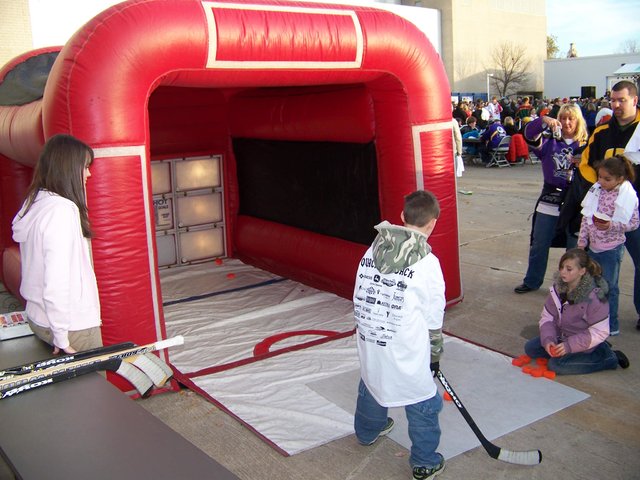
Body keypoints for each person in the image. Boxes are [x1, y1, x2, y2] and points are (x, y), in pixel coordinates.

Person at [353, 190, 445, 480]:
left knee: (372, 380)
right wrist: (435, 353)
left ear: (403, 217)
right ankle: (425, 461)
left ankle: (367, 431)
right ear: (432, 224)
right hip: (406, 348)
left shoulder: (373, 249)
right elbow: (433, 316)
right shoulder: (428, 264)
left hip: (371, 340)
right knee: (422, 400)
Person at [558, 80, 640, 332]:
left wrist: (625, 195)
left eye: (621, 100)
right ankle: (600, 316)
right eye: (612, 100)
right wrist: (605, 192)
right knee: (601, 273)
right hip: (604, 217)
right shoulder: (602, 131)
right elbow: (586, 164)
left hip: (634, 212)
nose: (615, 105)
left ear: (634, 100)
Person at [12, 134, 102, 354]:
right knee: (93, 388)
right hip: (71, 327)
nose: (88, 174)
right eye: (85, 167)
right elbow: (57, 279)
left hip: (39, 318)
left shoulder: (36, 202)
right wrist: (61, 336)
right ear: (69, 168)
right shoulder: (60, 211)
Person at [514, 104, 589, 294]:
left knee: (574, 248)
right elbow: (529, 133)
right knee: (539, 242)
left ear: (578, 120)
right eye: (563, 118)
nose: (566, 122)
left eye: (571, 118)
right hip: (550, 197)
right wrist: (543, 120)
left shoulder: (586, 144)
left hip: (576, 201)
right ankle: (532, 281)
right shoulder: (548, 142)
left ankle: (570, 288)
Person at [524, 248, 629, 374]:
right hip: (562, 337)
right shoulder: (557, 290)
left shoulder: (595, 297)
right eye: (561, 267)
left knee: (556, 366)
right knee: (531, 348)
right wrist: (549, 340)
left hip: (582, 341)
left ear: (582, 271)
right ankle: (584, 349)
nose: (563, 272)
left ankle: (608, 357)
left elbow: (600, 331)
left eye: (569, 269)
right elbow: (548, 318)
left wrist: (569, 346)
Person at [578, 155, 639, 335]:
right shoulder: (596, 191)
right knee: (591, 286)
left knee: (609, 288)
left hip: (612, 250)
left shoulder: (627, 196)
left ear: (620, 179)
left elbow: (634, 223)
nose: (601, 182)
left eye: (607, 179)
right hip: (593, 247)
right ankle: (592, 320)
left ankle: (611, 324)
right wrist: (582, 243)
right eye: (600, 177)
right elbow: (586, 217)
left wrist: (611, 225)